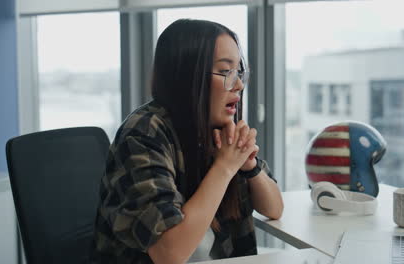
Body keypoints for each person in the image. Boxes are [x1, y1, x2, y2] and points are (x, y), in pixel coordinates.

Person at [91, 19, 284, 264]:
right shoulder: (143, 134)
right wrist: (224, 167)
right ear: (187, 76)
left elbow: (274, 208)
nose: (237, 85)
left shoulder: (219, 130)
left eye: (239, 73)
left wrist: (249, 166)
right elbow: (169, 254)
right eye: (225, 72)